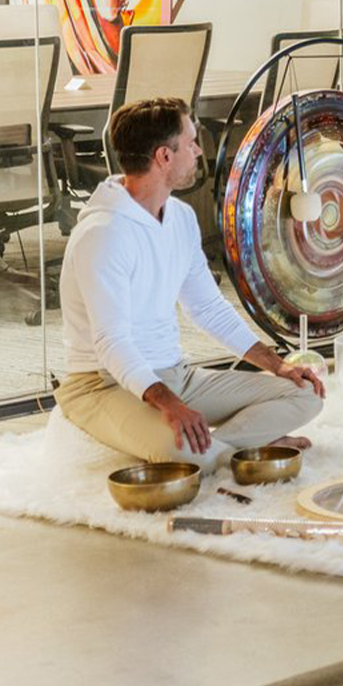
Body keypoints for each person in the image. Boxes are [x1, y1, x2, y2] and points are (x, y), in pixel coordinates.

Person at [57, 98, 324, 468]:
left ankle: (222, 449)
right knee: (180, 452)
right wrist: (170, 404)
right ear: (164, 156)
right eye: (191, 141)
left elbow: (208, 308)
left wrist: (277, 365)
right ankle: (242, 446)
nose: (199, 150)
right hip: (102, 385)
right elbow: (111, 342)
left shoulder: (180, 217)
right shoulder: (104, 233)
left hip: (176, 375)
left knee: (306, 393)